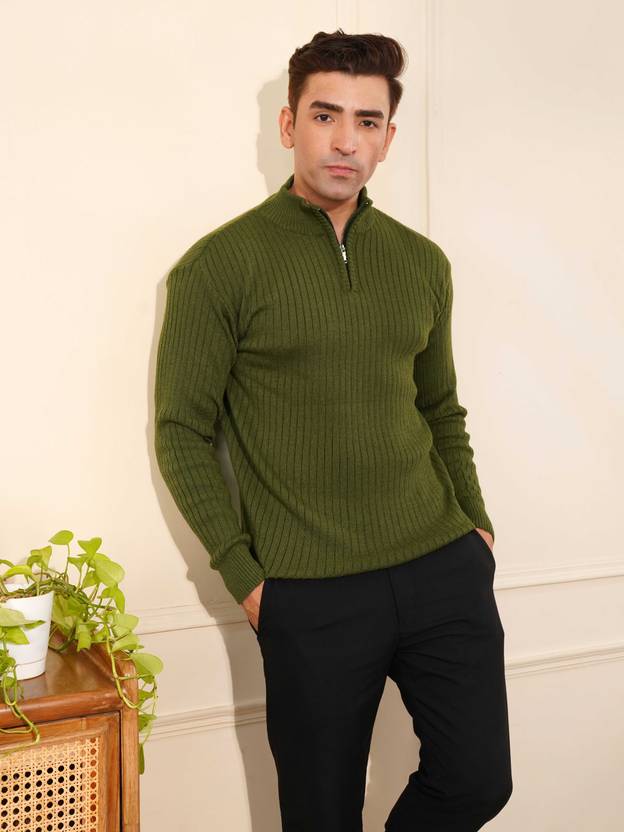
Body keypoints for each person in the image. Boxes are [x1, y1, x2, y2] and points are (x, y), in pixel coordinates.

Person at [154, 28, 512, 832]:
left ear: (388, 136)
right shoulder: (218, 267)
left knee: (478, 781)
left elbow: (440, 407)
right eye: (325, 115)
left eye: (367, 120)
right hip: (309, 593)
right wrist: (246, 576)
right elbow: (181, 431)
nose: (346, 140)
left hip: (442, 567)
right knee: (319, 816)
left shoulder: (423, 263)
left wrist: (476, 524)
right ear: (289, 125)